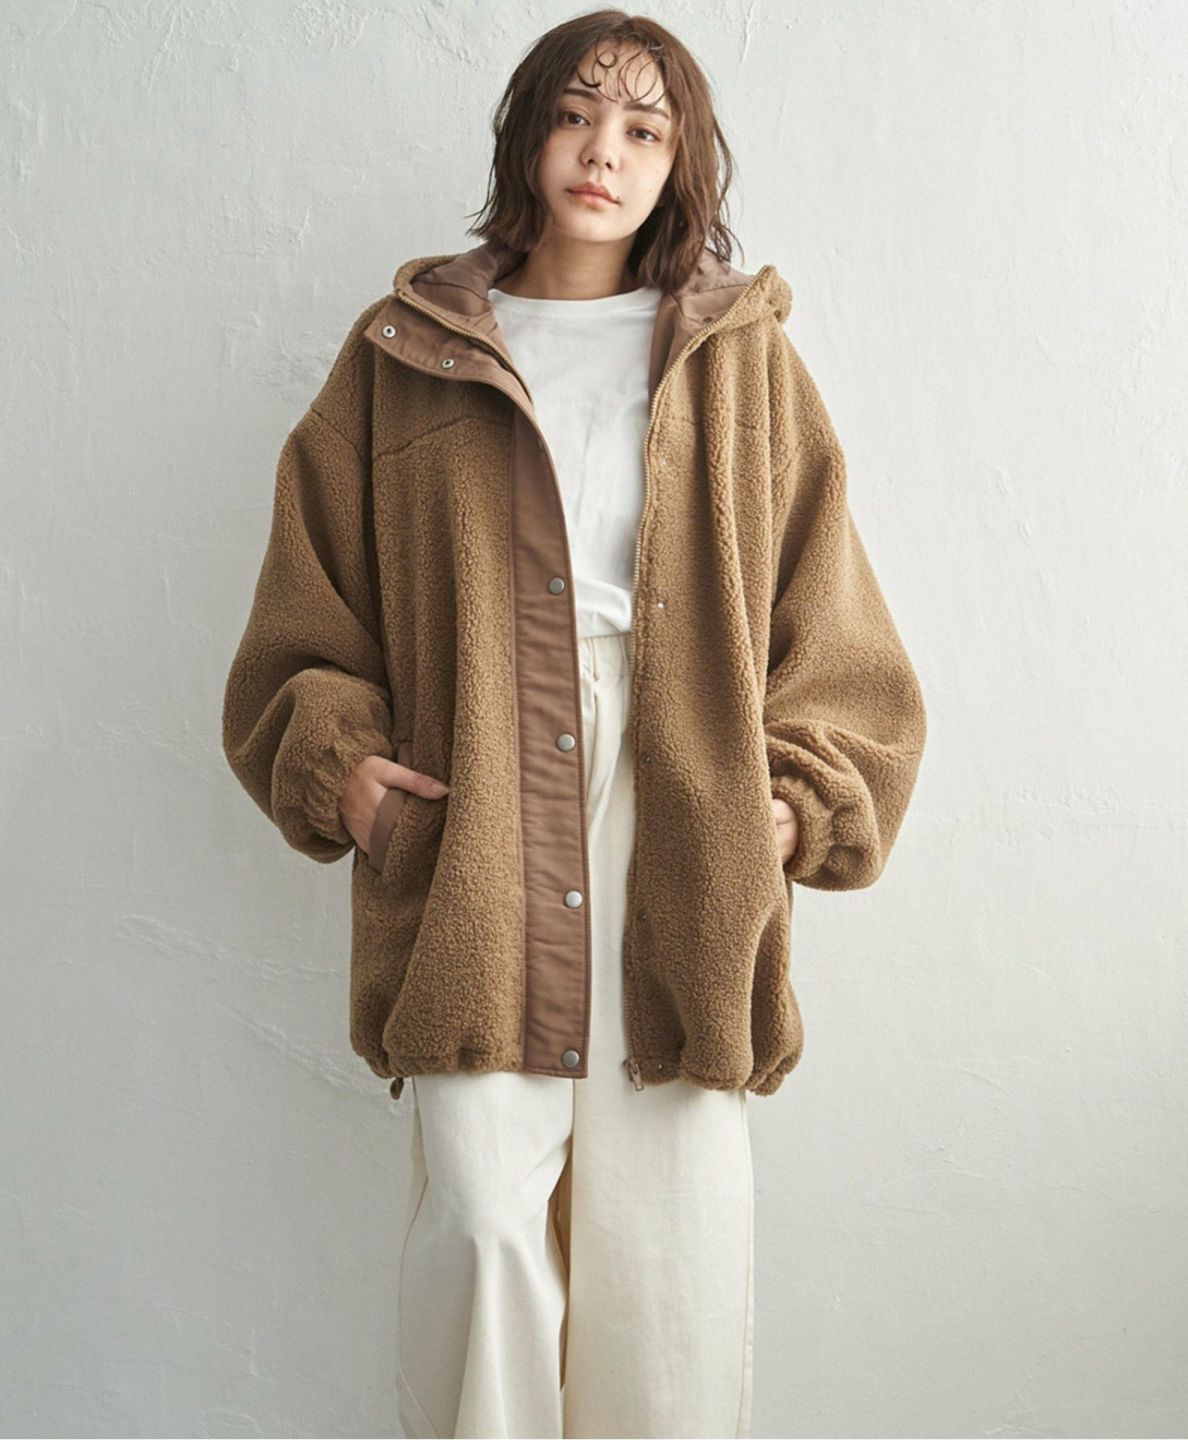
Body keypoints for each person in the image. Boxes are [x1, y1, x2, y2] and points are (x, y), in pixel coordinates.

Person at [221, 11, 926, 1438]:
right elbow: (310, 605)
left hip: (677, 809)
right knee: (482, 1222)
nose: (604, 151)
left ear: (680, 165)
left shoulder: (738, 361)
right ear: (527, 134)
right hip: (481, 807)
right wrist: (347, 777)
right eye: (577, 113)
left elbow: (834, 619)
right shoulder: (409, 352)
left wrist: (791, 804)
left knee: (663, 1261)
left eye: (644, 128)